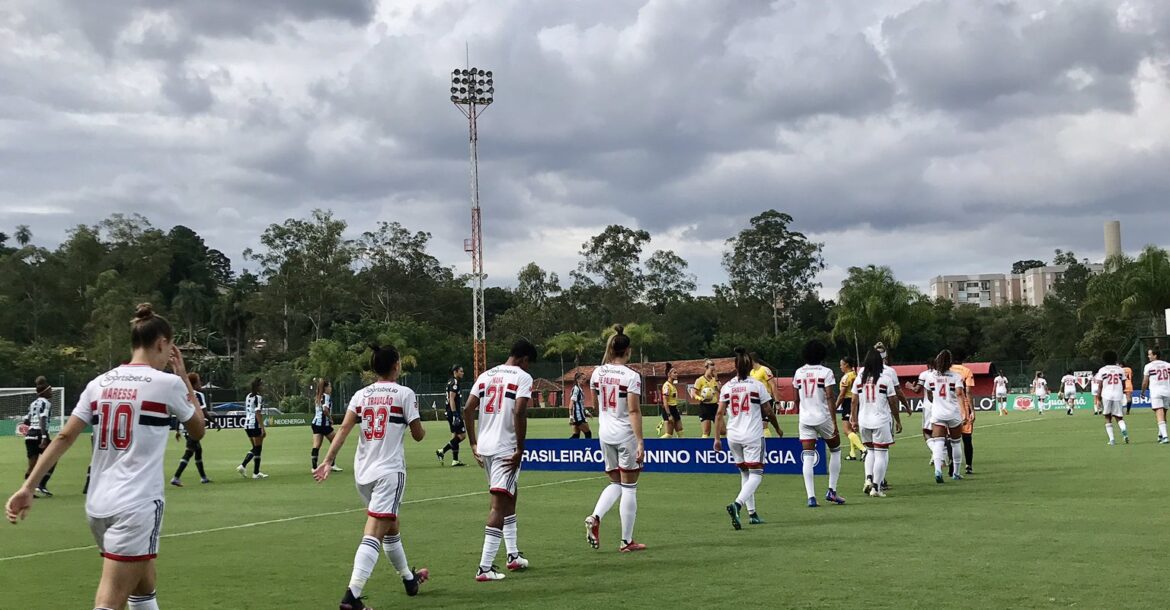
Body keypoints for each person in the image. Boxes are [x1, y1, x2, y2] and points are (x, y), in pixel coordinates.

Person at [6, 303, 204, 610]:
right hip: (136, 504)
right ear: (162, 343)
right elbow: (198, 429)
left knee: (143, 582)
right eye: (169, 350)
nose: (169, 358)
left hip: (99, 506)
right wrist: (182, 376)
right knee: (111, 598)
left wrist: (28, 486)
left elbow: (64, 436)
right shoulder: (167, 384)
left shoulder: (99, 383)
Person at [314, 344, 429, 609]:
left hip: (363, 473)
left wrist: (328, 460)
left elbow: (343, 428)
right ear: (396, 365)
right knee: (375, 531)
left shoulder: (361, 395)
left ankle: (409, 579)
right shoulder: (404, 393)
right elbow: (418, 434)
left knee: (391, 527)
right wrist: (417, 425)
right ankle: (352, 596)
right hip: (389, 472)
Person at [464, 339, 538, 581]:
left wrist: (473, 442)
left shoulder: (486, 375)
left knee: (509, 495)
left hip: (485, 447)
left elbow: (468, 408)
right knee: (498, 505)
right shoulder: (522, 377)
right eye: (528, 363)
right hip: (505, 447)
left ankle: (513, 555)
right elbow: (519, 411)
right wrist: (520, 448)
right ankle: (484, 568)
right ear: (524, 359)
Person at [584, 325, 647, 553]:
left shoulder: (597, 372)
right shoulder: (631, 376)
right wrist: (640, 441)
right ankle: (626, 541)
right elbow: (633, 411)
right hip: (624, 435)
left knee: (615, 483)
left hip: (605, 433)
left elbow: (594, 402)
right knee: (629, 487)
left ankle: (595, 516)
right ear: (628, 350)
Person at [715, 347, 782, 529]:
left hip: (733, 435)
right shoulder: (756, 385)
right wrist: (777, 428)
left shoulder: (727, 386)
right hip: (752, 434)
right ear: (749, 367)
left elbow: (719, 413)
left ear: (735, 367)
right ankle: (737, 504)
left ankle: (752, 514)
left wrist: (716, 438)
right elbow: (768, 410)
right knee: (757, 474)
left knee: (745, 473)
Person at [792, 340, 845, 507]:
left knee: (808, 456)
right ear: (822, 354)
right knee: (835, 450)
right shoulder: (826, 372)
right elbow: (829, 397)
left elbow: (795, 398)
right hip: (822, 417)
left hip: (805, 418)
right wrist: (834, 421)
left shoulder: (799, 372)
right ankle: (832, 490)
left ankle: (811, 497)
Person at [849, 349, 900, 498]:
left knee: (869, 451)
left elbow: (853, 400)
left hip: (864, 420)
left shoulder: (859, 380)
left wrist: (854, 419)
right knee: (881, 454)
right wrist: (897, 420)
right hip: (881, 420)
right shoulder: (885, 379)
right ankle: (876, 488)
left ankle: (868, 478)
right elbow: (892, 402)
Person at [926, 350, 970, 483]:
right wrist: (964, 413)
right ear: (950, 362)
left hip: (937, 413)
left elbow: (929, 393)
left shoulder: (931, 376)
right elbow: (959, 394)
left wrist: (936, 403)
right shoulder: (956, 376)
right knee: (956, 443)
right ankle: (955, 473)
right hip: (953, 413)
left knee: (938, 442)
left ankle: (938, 471)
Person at [171, 373, 212, 486]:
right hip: (193, 427)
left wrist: (178, 430)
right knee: (189, 452)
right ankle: (176, 477)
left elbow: (181, 413)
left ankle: (203, 478)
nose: (200, 384)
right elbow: (204, 413)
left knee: (197, 450)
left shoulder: (184, 395)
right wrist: (215, 422)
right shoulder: (198, 395)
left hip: (184, 427)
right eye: (199, 382)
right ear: (193, 384)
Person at [23, 377, 55, 497]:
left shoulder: (33, 403)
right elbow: (43, 418)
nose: (51, 392)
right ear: (45, 392)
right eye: (50, 390)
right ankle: (41, 485)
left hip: (29, 436)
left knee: (32, 465)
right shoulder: (46, 403)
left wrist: (33, 424)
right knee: (53, 458)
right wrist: (43, 436)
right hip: (40, 434)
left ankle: (27, 491)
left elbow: (26, 421)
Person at [1094, 351, 1129, 445]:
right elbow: (1124, 384)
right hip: (1118, 395)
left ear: (1104, 359)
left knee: (1107, 417)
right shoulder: (1120, 370)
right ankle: (1124, 431)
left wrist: (1098, 399)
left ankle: (1112, 439)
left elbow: (1100, 386)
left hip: (1106, 395)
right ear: (1115, 359)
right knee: (1119, 417)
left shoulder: (1102, 370)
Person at [436, 365, 467, 467]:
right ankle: (442, 451)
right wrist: (455, 414)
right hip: (453, 412)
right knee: (462, 436)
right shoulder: (454, 383)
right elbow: (451, 399)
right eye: (461, 371)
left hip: (449, 412)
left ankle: (455, 460)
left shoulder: (450, 381)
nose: (462, 373)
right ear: (455, 372)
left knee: (455, 435)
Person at [834, 357, 865, 461]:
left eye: (841, 364)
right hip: (858, 401)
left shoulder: (846, 377)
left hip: (848, 402)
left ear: (846, 365)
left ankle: (863, 450)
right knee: (852, 429)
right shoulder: (856, 375)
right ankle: (852, 454)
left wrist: (835, 407)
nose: (840, 367)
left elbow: (842, 394)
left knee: (847, 430)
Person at [951, 350, 977, 476]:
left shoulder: (947, 371)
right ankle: (968, 466)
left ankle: (952, 465)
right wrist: (972, 410)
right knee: (967, 439)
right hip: (964, 407)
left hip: (949, 406)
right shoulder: (966, 371)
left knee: (951, 438)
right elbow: (968, 391)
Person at [237, 378, 268, 479]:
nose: (263, 387)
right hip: (255, 424)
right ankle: (244, 465)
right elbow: (258, 413)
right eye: (262, 385)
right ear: (258, 387)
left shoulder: (248, 396)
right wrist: (262, 428)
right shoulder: (258, 397)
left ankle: (256, 472)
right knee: (257, 448)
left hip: (247, 424)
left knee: (256, 449)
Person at [311, 380, 343, 473]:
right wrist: (330, 418)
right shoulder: (326, 396)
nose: (331, 388)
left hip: (316, 423)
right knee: (336, 442)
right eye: (329, 386)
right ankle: (331, 464)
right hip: (323, 424)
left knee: (316, 445)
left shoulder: (318, 396)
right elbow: (325, 409)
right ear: (325, 388)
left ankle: (314, 468)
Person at [1142, 348, 1170, 444]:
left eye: (1150, 354)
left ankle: (1165, 437)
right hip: (1167, 391)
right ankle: (1160, 435)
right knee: (1163, 414)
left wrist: (1142, 392)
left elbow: (1145, 381)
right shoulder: (1168, 365)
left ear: (1155, 355)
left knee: (1159, 413)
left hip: (1156, 392)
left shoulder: (1148, 366)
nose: (1148, 356)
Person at [691, 360, 720, 438]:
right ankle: (704, 448)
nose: (713, 372)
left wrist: (716, 378)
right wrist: (700, 398)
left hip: (715, 406)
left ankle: (723, 448)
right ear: (706, 368)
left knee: (722, 430)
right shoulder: (700, 380)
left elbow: (720, 390)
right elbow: (693, 393)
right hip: (705, 407)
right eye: (711, 370)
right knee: (707, 431)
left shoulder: (714, 380)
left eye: (714, 370)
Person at [749, 353, 776, 438]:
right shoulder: (751, 372)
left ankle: (768, 444)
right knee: (757, 426)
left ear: (752, 360)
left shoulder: (764, 369)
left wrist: (777, 400)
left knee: (764, 424)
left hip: (766, 400)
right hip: (755, 401)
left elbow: (773, 384)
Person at [659, 363, 683, 438]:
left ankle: (681, 448)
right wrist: (669, 415)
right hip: (668, 410)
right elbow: (665, 401)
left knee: (680, 432)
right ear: (669, 374)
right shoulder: (667, 386)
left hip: (674, 409)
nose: (676, 374)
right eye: (674, 373)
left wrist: (676, 409)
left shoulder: (672, 385)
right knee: (669, 435)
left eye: (676, 372)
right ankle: (656, 446)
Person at [568, 372, 592, 439]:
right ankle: (587, 448)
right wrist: (571, 416)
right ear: (577, 380)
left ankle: (564, 447)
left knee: (576, 435)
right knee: (588, 433)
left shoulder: (580, 389)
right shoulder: (576, 389)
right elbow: (571, 403)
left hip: (580, 414)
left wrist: (586, 412)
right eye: (583, 379)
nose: (585, 381)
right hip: (578, 416)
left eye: (585, 379)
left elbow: (580, 403)